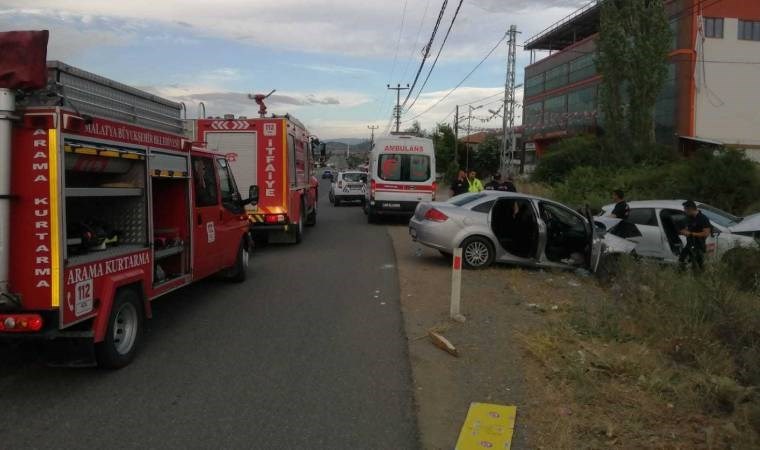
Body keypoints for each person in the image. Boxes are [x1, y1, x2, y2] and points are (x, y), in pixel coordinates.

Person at [679, 200, 712, 270]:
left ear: (690, 209)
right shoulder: (688, 218)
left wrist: (691, 234)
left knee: (698, 266)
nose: (684, 211)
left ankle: (699, 277)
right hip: (689, 244)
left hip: (699, 246)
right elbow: (685, 229)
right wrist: (684, 231)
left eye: (685, 209)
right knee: (681, 261)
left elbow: (706, 233)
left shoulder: (703, 218)